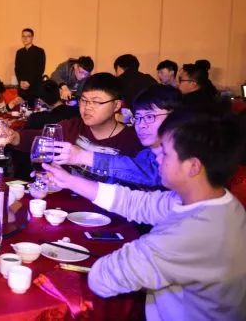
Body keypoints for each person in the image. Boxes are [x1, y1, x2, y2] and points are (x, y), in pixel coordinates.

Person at [42, 111, 246, 321]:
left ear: (193, 166)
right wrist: (69, 181)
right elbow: (137, 203)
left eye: (164, 153)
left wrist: (139, 248)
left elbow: (104, 279)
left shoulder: (191, 235)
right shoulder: (219, 202)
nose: (156, 158)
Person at [1, 73, 143, 179]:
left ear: (116, 105)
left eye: (96, 102)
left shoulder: (132, 141)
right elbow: (39, 139)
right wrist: (14, 136)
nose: (87, 107)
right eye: (84, 100)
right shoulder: (72, 127)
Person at [54, 84, 181, 188]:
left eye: (149, 117)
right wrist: (67, 180)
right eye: (138, 118)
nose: (141, 125)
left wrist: (81, 156)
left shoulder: (185, 154)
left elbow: (151, 173)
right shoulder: (146, 154)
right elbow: (122, 192)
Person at [14, 28, 45, 101]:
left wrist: (29, 82)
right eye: (23, 36)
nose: (25, 38)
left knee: (33, 106)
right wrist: (20, 81)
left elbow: (40, 69)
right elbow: (17, 69)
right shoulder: (19, 52)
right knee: (22, 106)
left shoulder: (39, 51)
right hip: (22, 88)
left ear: (32, 37)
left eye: (28, 36)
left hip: (35, 87)